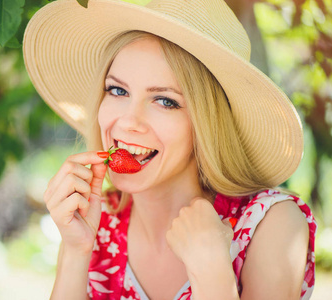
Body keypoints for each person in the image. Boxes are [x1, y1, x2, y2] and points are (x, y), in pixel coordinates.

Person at [22, 0, 317, 299]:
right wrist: (75, 251)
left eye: (165, 101)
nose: (129, 121)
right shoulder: (97, 221)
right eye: (118, 90)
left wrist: (213, 274)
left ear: (207, 123)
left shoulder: (271, 225)